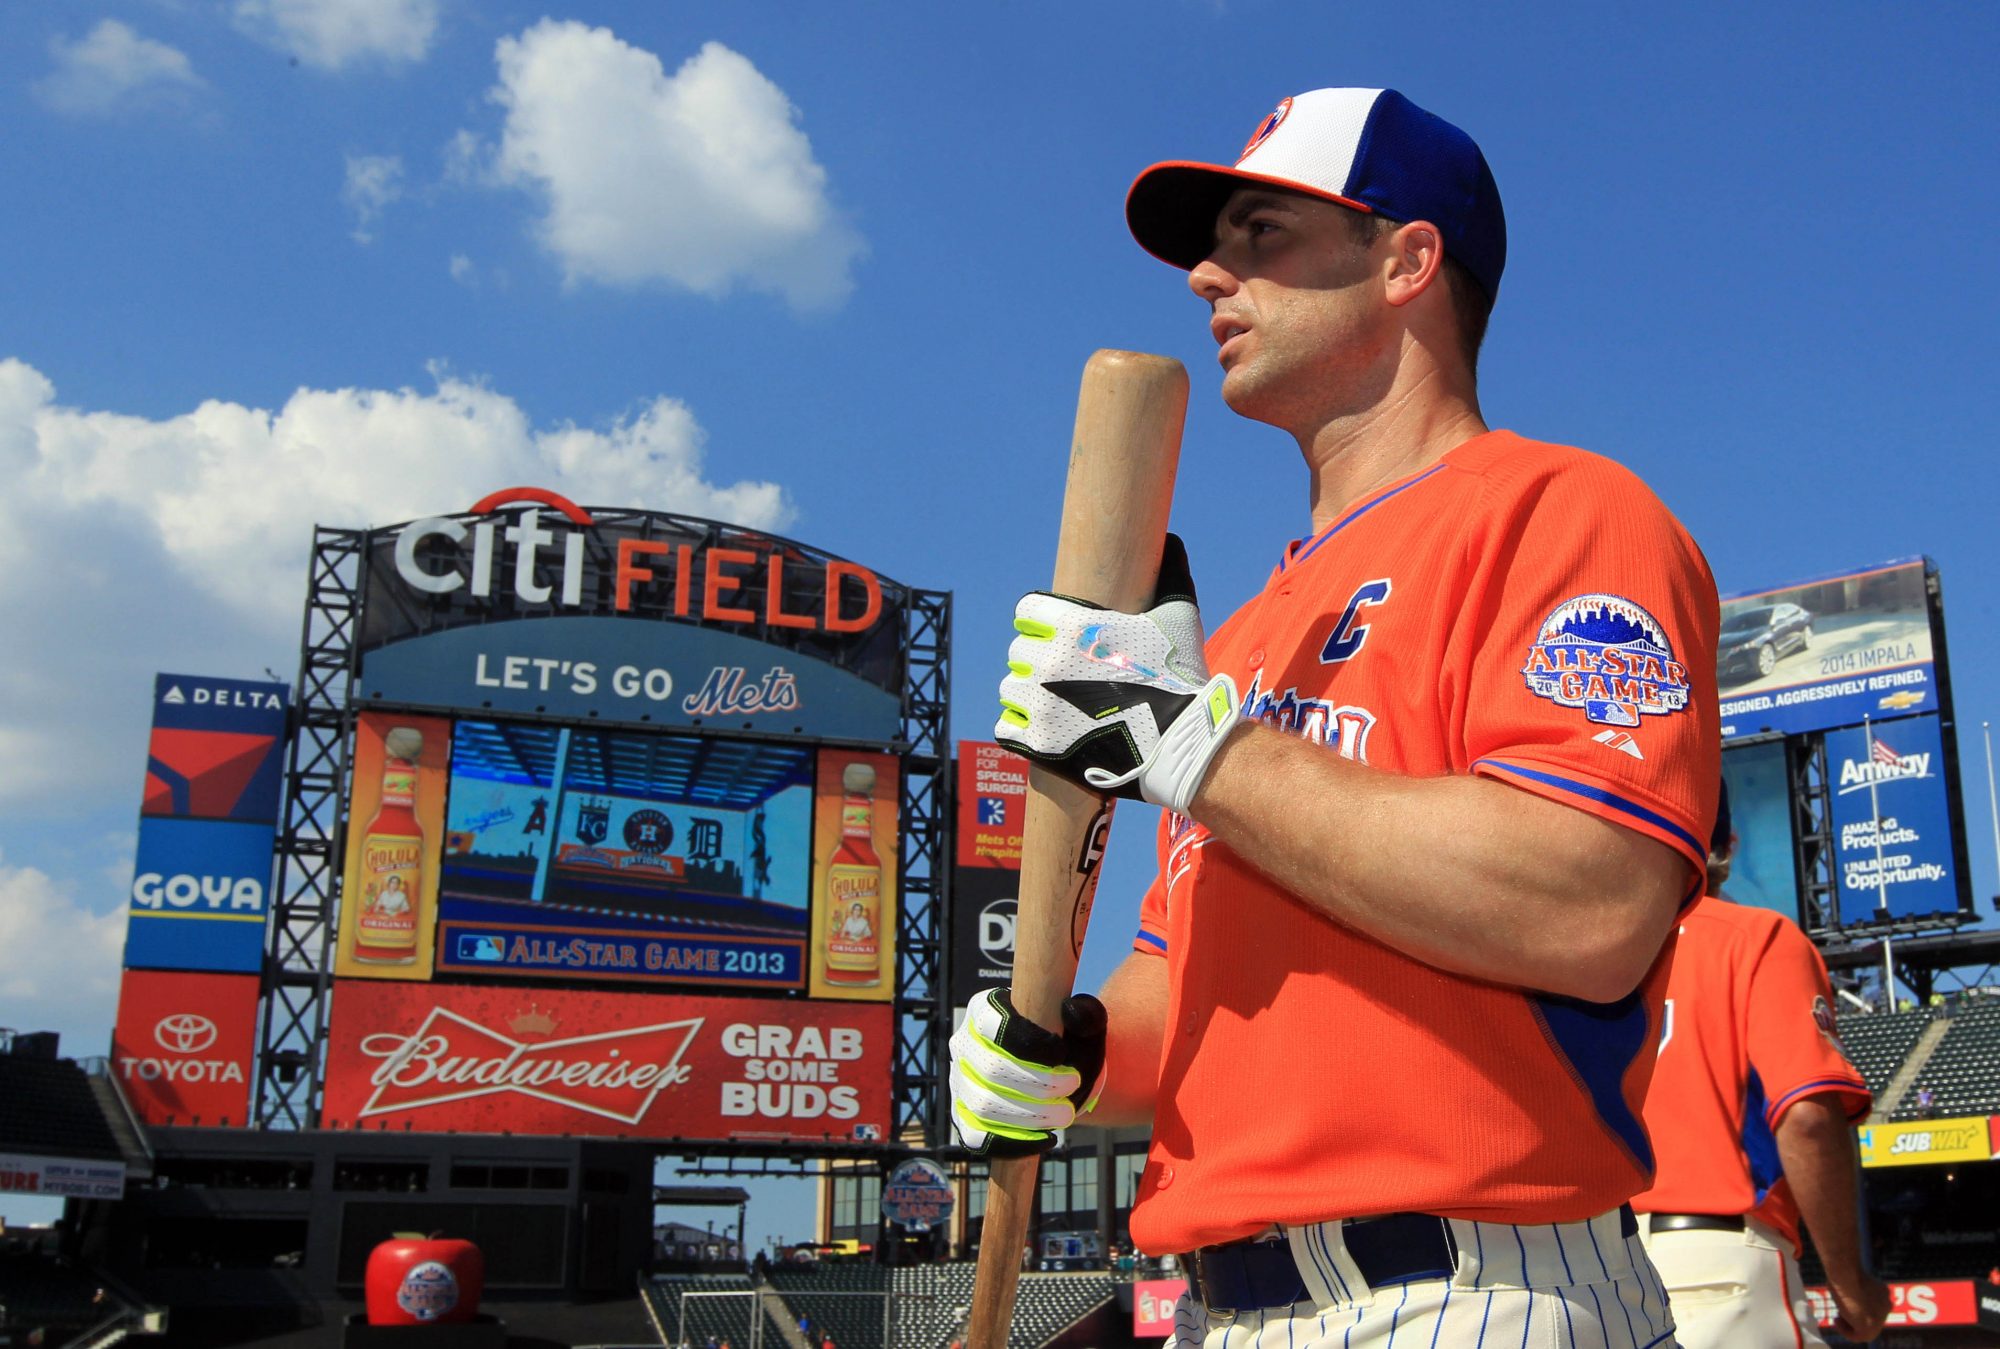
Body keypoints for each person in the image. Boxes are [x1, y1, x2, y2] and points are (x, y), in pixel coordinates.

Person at [950, 86, 1721, 1347]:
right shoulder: (1245, 636)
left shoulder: (1559, 511)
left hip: (1468, 1284)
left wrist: (1193, 744)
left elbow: (1585, 904)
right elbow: (1180, 977)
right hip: (1216, 1304)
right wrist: (1072, 1049)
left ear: (1407, 258)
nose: (1206, 275)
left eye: (1262, 235)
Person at [1631, 781, 1889, 1346]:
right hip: (1717, 1268)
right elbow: (1808, 1118)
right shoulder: (1756, 937)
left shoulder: (1577, 960)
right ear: (1727, 843)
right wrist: (1850, 1284)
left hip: (1595, 1274)